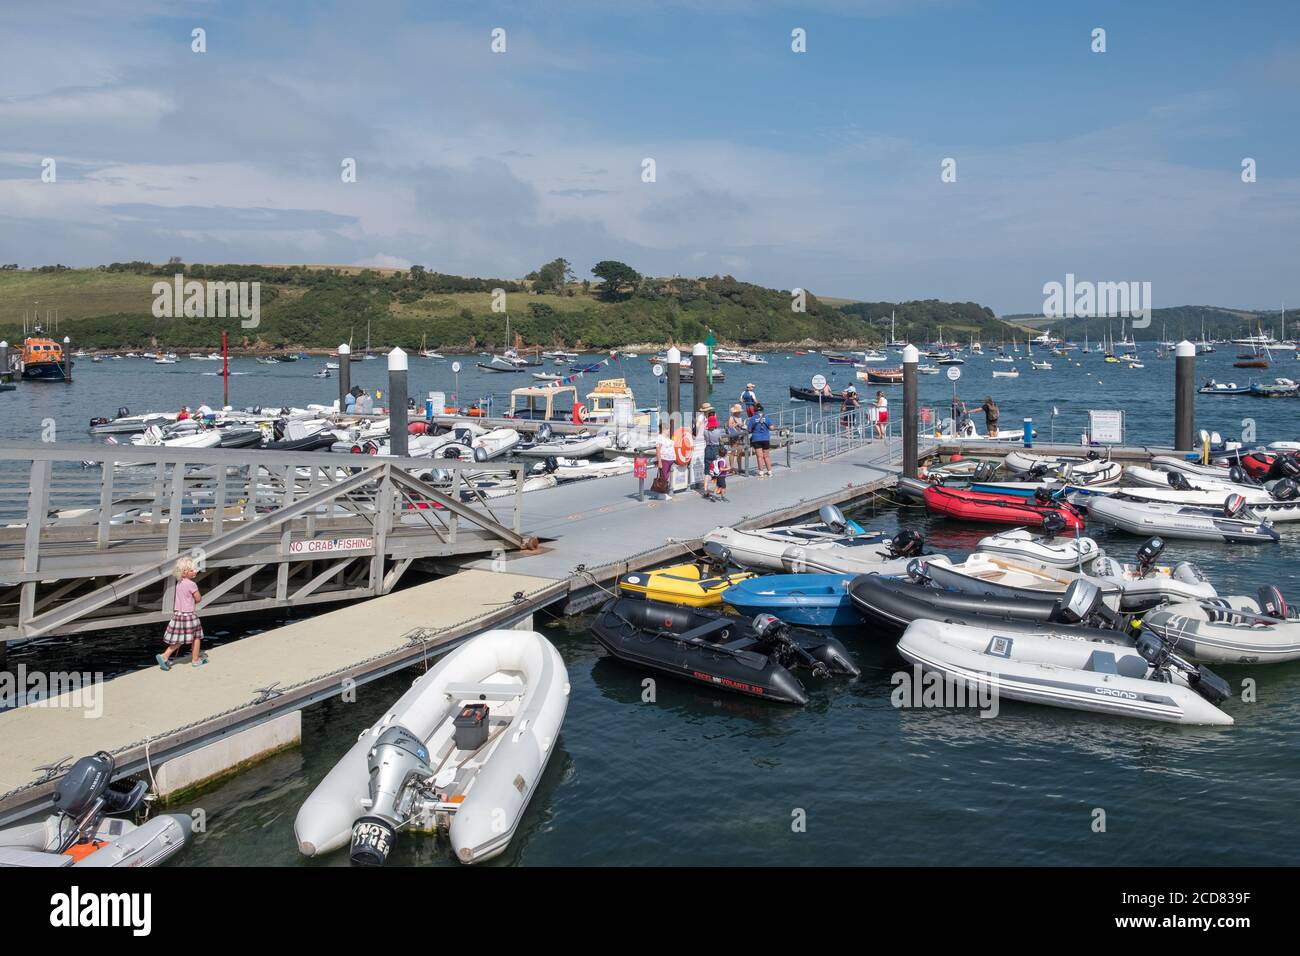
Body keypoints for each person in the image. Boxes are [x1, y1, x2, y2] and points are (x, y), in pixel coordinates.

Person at [157, 556, 207, 670]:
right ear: (185, 572)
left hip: (178, 615)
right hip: (189, 616)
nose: (195, 571)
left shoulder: (179, 583)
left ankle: (164, 656)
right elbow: (198, 599)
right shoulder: (192, 584)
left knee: (180, 639)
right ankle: (195, 660)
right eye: (192, 570)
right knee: (196, 637)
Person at [700, 404, 722, 497]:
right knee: (717, 470)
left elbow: (705, 437)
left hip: (708, 449)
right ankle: (717, 488)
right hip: (716, 450)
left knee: (707, 471)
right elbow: (720, 440)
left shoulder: (705, 431)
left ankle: (705, 489)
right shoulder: (718, 431)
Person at [747, 402, 774, 477]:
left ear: (755, 411)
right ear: (762, 410)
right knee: (766, 456)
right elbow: (772, 427)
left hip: (756, 439)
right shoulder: (767, 417)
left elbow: (749, 430)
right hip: (765, 438)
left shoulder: (753, 418)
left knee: (759, 456)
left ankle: (761, 472)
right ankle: (769, 471)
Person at [654, 420, 676, 500]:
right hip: (664, 459)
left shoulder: (666, 438)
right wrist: (659, 461)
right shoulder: (660, 438)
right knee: (663, 477)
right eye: (668, 429)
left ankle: (664, 492)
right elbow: (658, 449)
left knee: (666, 476)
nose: (669, 431)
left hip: (669, 459)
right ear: (664, 429)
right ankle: (661, 493)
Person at [726, 403, 747, 475]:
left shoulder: (740, 418)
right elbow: (729, 426)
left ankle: (739, 467)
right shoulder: (731, 417)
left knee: (739, 452)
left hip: (740, 436)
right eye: (739, 411)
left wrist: (742, 425)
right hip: (734, 437)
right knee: (732, 452)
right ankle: (731, 467)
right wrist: (737, 424)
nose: (740, 412)